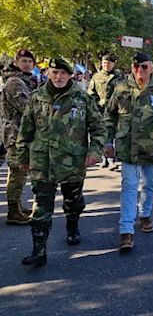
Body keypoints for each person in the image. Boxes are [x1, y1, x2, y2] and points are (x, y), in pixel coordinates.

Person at [16, 58, 105, 267]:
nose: (58, 77)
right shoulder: (36, 98)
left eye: (63, 73)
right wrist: (21, 156)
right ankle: (39, 250)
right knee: (40, 207)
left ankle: (72, 227)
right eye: (55, 73)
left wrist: (95, 151)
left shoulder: (82, 98)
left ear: (70, 75)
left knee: (73, 202)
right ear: (48, 73)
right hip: (42, 161)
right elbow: (26, 129)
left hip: (72, 162)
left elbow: (98, 127)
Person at [104, 53, 153, 252]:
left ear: (152, 67)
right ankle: (126, 230)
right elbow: (110, 115)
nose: (140, 71)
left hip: (152, 146)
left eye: (144, 67)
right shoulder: (121, 87)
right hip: (128, 146)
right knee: (129, 186)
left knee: (150, 184)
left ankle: (145, 213)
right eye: (136, 66)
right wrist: (106, 141)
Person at [0, 49, 38, 225]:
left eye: (30, 62)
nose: (27, 64)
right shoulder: (15, 82)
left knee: (19, 172)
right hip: (16, 133)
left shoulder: (25, 80)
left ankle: (17, 206)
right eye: (24, 61)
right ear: (16, 62)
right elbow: (27, 107)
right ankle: (13, 212)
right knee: (18, 172)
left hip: (22, 132)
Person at [87, 54, 125, 170]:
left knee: (113, 134)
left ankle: (111, 159)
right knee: (104, 134)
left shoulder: (119, 77)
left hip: (116, 111)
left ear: (113, 64)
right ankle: (106, 159)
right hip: (100, 111)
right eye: (104, 63)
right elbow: (91, 93)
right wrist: (95, 105)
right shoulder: (96, 77)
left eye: (109, 63)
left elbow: (125, 93)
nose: (106, 65)